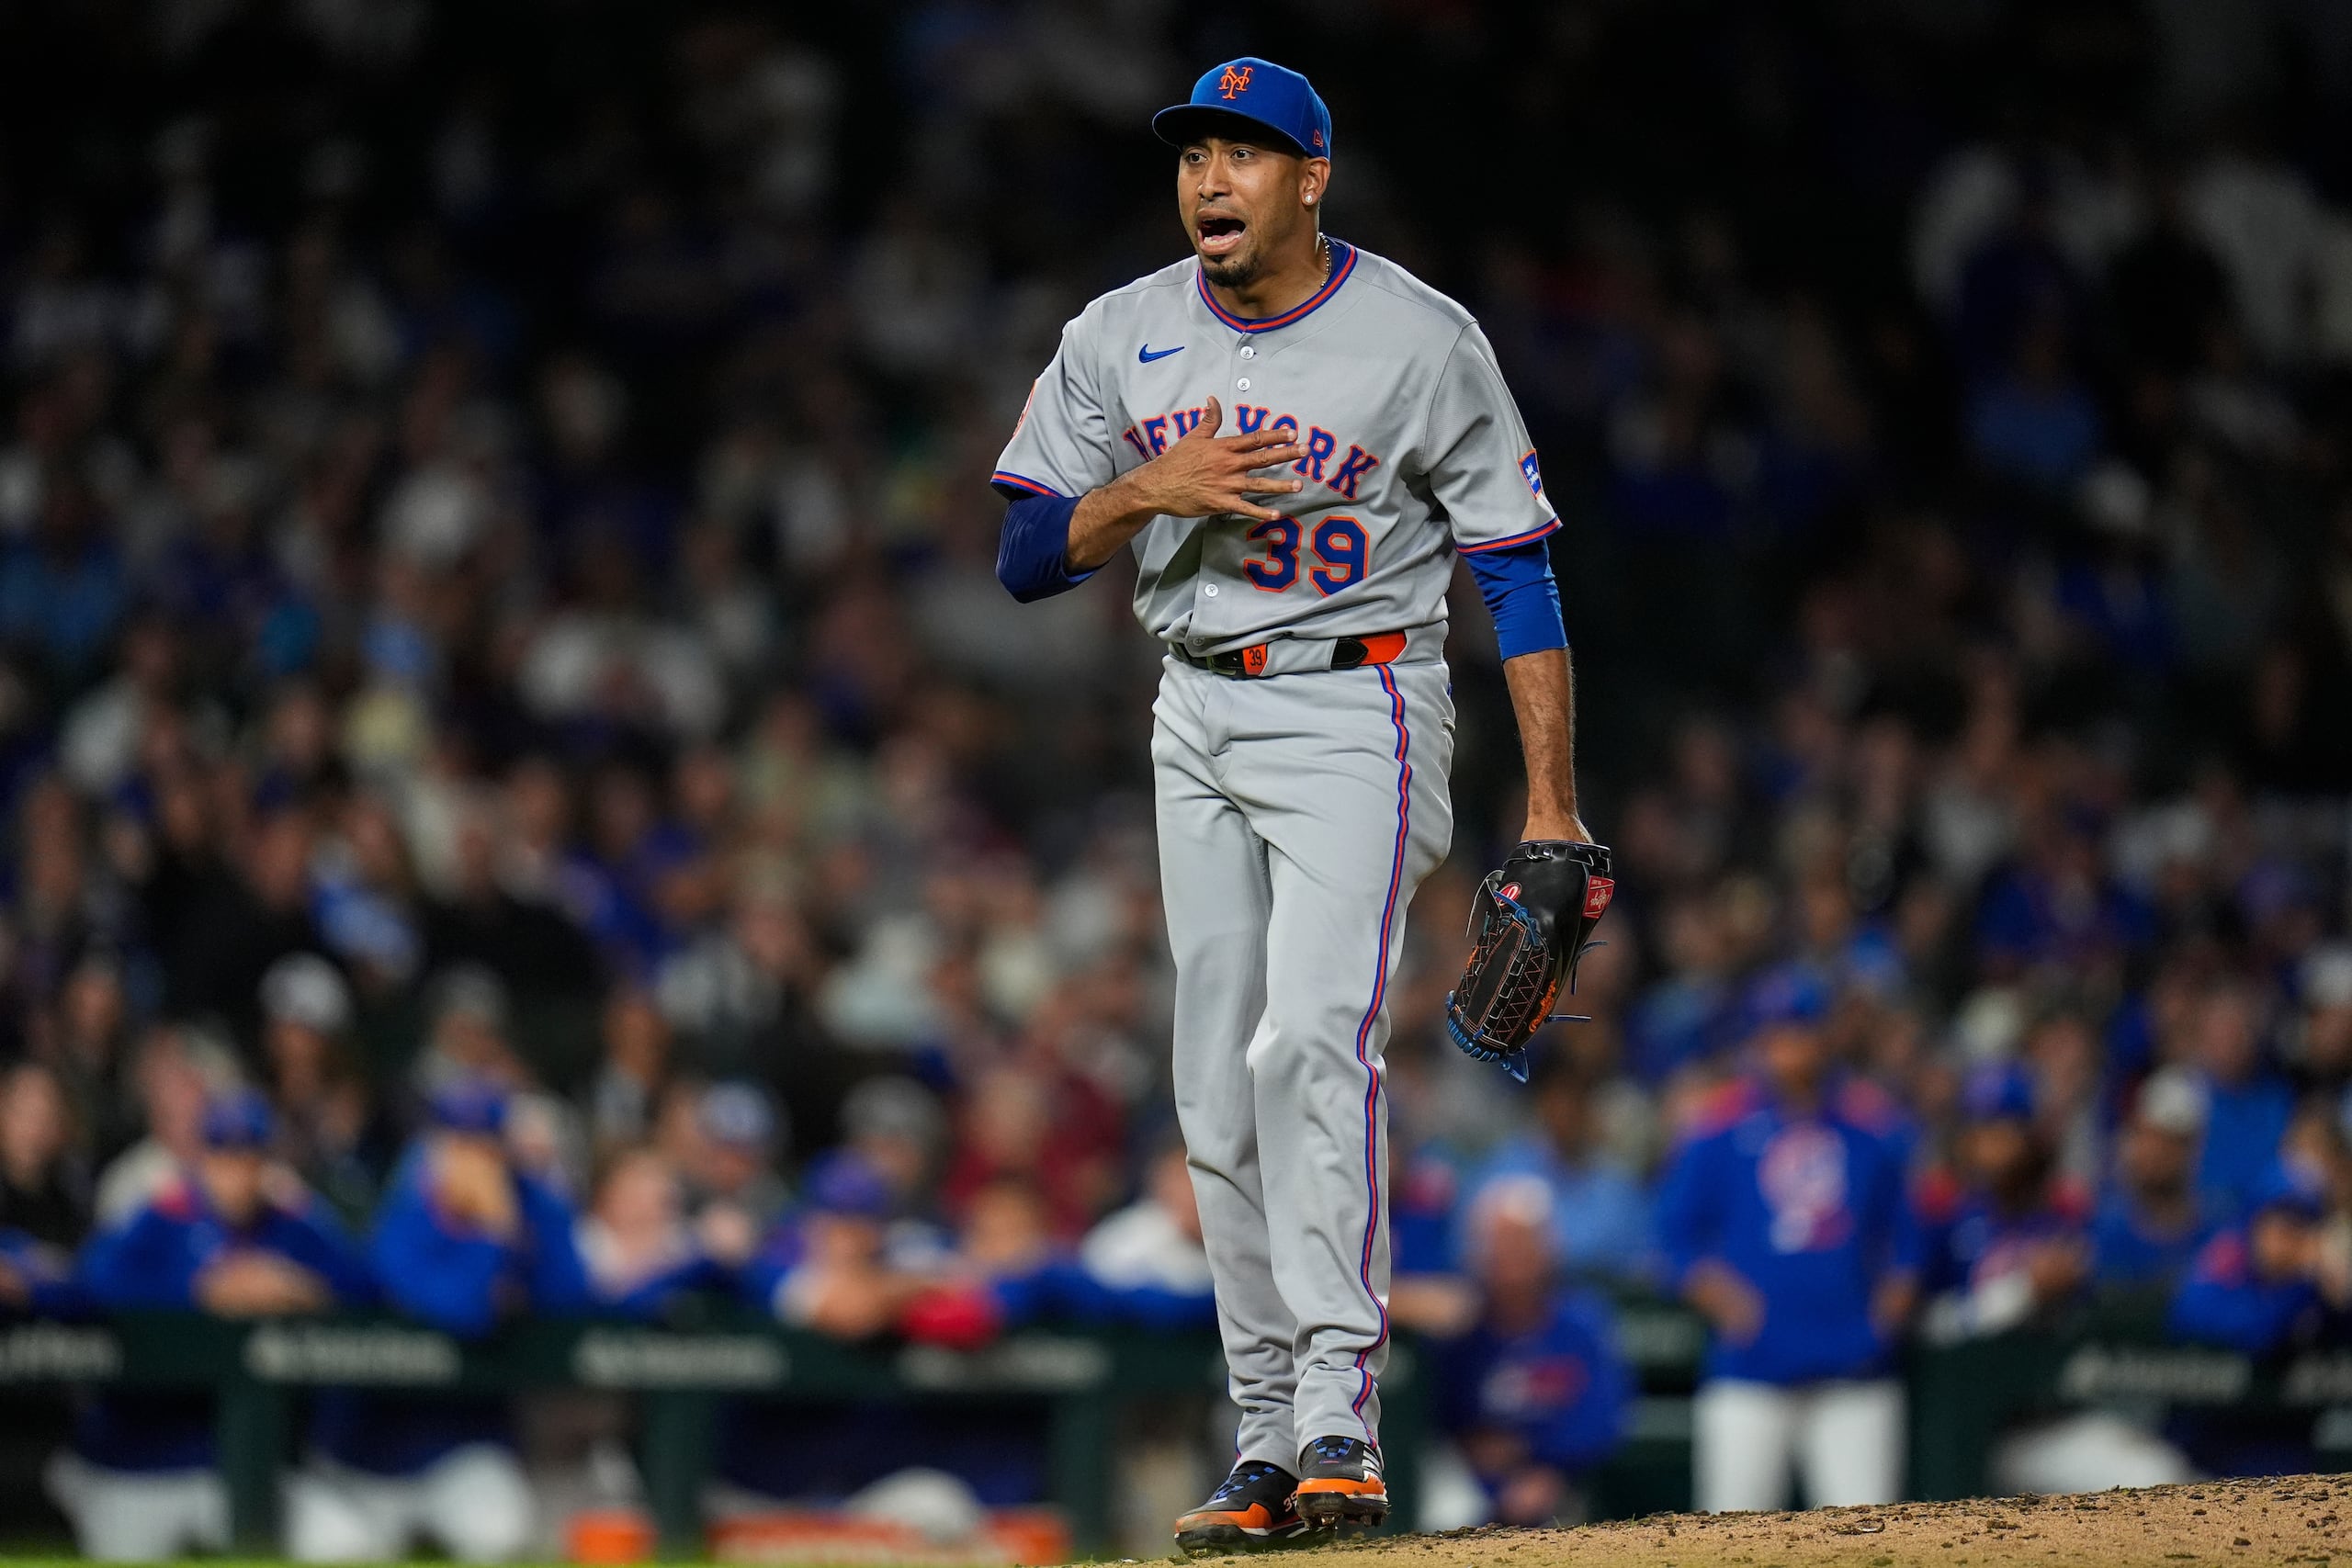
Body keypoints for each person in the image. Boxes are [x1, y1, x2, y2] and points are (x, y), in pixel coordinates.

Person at [992, 55, 1592, 1547]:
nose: (1211, 178)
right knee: (1215, 1084)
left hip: (1362, 699)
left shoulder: (1416, 337)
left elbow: (1514, 567)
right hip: (1193, 705)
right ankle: (1266, 1439)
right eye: (1196, 151)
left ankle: (1340, 1416)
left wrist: (1555, 804)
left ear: (1310, 178)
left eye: (1246, 155)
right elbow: (1019, 554)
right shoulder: (1120, 334)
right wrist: (1145, 491)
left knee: (1306, 1039)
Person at [53, 1090, 372, 1562]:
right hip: (138, 1460)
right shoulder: (164, 1214)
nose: (237, 1172)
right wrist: (197, 1290)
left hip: (240, 1469)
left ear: (267, 1162)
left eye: (249, 1157)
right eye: (224, 1155)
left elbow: (365, 1288)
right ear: (202, 1157)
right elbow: (90, 1284)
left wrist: (301, 1289)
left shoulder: (291, 1222)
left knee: (345, 1544)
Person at [287, 1080, 590, 1564]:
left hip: (461, 1449)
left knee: (500, 1535)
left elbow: (573, 1301)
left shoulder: (535, 1204)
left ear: (503, 1148)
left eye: (481, 1142)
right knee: (341, 1551)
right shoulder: (405, 1215)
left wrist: (509, 1227)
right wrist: (492, 1233)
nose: (469, 1157)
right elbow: (463, 1310)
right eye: (456, 1141)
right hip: (363, 1455)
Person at [1653, 971, 1917, 1513]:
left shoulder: (1872, 1122)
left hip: (1853, 1371)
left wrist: (1887, 1312)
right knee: (1731, 1542)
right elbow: (1672, 1237)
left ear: (1826, 1037)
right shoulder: (1719, 1126)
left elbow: (1910, 1234)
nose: (1790, 1049)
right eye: (1777, 1035)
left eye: (1802, 1032)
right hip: (1750, 1369)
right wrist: (1723, 1299)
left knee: (1868, 1541)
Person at [1428, 1176, 1631, 1529]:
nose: (1512, 1257)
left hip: (1563, 1483)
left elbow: (1603, 1417)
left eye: (1522, 1243)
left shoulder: (1581, 1324)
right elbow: (1440, 1418)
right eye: (1501, 1244)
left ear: (1547, 1247)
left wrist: (1542, 1462)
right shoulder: (1462, 1330)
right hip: (1467, 1484)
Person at [2091, 1067, 2226, 1292]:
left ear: (2194, 1148)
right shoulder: (2104, 1228)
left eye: (2170, 1141)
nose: (2154, 1152)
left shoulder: (2218, 1233)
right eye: (2145, 1136)